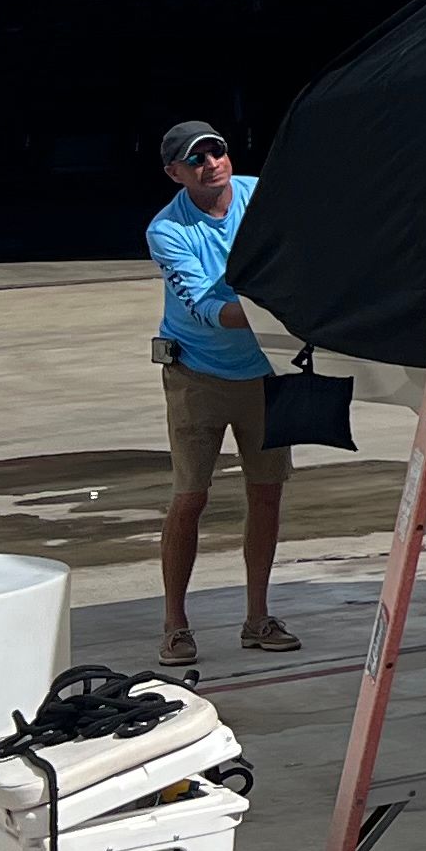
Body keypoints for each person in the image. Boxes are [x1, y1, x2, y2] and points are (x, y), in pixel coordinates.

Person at [147, 119, 298, 669]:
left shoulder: (262, 195)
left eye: (216, 151)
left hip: (265, 373)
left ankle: (258, 618)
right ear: (175, 173)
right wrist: (295, 310)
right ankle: (175, 625)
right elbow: (206, 310)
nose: (211, 163)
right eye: (196, 158)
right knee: (190, 497)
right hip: (198, 375)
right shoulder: (167, 230)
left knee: (267, 493)